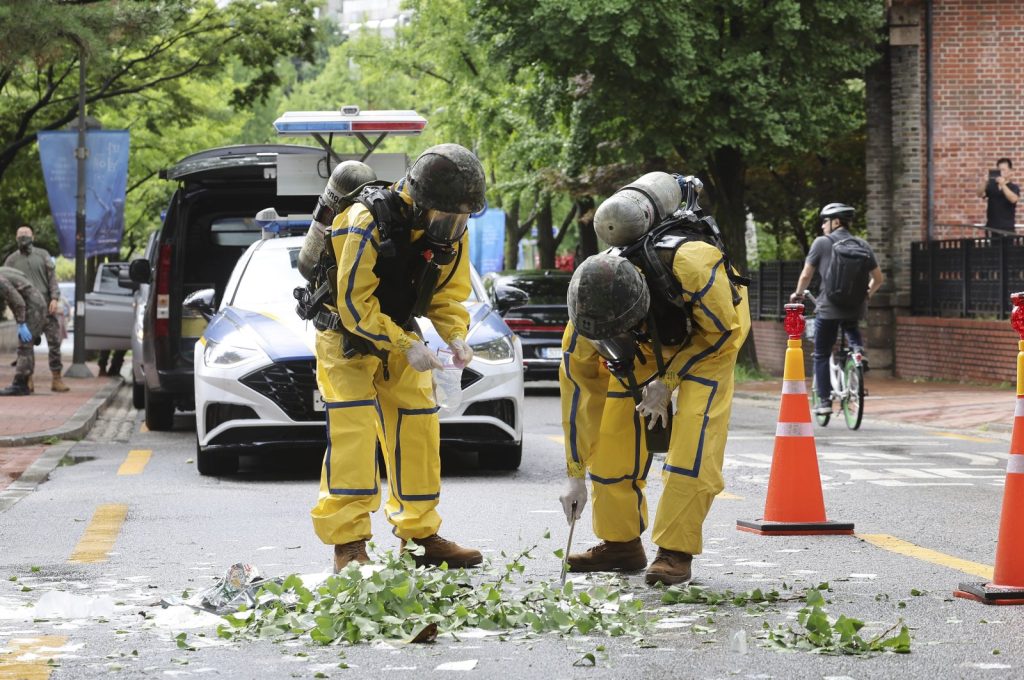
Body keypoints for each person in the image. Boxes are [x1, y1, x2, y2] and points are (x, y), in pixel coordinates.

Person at [558, 172, 751, 586]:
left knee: (691, 449)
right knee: (612, 445)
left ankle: (675, 551)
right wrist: (574, 473)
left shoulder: (691, 263)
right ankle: (620, 544)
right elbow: (578, 396)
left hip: (707, 339)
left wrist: (669, 380)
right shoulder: (587, 316)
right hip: (644, 346)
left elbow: (723, 332)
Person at [309, 143, 485, 573]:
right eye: (446, 216)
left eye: (462, 217)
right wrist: (407, 345)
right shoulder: (363, 221)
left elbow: (447, 295)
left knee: (418, 431)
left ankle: (420, 536)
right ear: (419, 201)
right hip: (345, 338)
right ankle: (349, 545)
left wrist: (457, 336)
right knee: (353, 437)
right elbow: (354, 305)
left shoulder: (450, 234)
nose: (454, 226)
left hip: (401, 335)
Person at [790, 203, 884, 415]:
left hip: (829, 307)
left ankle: (824, 402)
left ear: (836, 222)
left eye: (825, 221)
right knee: (851, 326)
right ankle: (858, 352)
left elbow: (806, 275)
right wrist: (865, 295)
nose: (823, 225)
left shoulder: (821, 243)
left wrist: (797, 294)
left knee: (822, 353)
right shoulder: (862, 244)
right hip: (855, 307)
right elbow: (878, 279)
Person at [3, 225, 68, 392]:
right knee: (27, 344)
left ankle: (56, 378)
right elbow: (10, 292)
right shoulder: (11, 260)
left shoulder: (43, 255)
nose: (23, 236)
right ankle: (28, 379)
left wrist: (54, 298)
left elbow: (52, 278)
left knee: (54, 342)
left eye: (26, 233)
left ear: (33, 236)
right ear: (16, 238)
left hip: (47, 305)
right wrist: (20, 319)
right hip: (27, 308)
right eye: (20, 234)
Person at [0, 267, 47, 396]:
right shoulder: (4, 271)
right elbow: (24, 276)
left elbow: (18, 302)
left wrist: (21, 323)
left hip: (33, 307)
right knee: (28, 343)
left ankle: (19, 384)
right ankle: (26, 382)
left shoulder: (0, 280)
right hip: (37, 303)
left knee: (24, 345)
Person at [978, 158, 1020, 234]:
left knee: (1008, 246)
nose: (1001, 172)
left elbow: (1013, 199)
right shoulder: (991, 186)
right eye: (999, 170)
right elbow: (980, 194)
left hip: (1007, 228)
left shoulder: (1013, 187)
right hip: (991, 227)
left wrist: (1002, 184)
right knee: (991, 246)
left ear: (1010, 171)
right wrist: (984, 182)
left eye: (1004, 170)